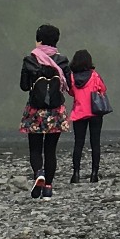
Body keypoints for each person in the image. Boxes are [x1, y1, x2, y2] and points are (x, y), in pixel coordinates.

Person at [18, 25, 73, 199]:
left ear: (39, 40)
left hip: (35, 111)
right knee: (51, 150)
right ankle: (48, 188)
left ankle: (38, 173)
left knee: (35, 149)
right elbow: (69, 86)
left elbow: (24, 86)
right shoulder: (63, 61)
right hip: (56, 111)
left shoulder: (30, 60)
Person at [67, 49, 107, 183]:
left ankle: (76, 174)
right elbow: (103, 89)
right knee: (95, 143)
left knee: (78, 143)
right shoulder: (94, 75)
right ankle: (94, 174)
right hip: (95, 112)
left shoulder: (72, 77)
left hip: (79, 113)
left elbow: (71, 92)